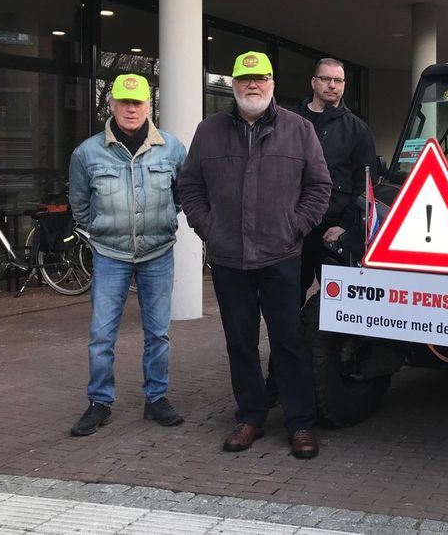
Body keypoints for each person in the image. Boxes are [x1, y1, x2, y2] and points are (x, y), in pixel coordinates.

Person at [177, 52, 331, 458]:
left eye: (260, 78)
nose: (253, 85)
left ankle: (300, 424)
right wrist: (209, 228)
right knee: (240, 342)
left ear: (272, 84)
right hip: (229, 257)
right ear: (233, 85)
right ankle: (250, 417)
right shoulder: (209, 131)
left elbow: (319, 187)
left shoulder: (298, 129)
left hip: (281, 255)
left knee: (289, 340)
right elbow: (190, 186)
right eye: (245, 79)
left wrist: (294, 227)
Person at [67, 73, 187, 436]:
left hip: (157, 252)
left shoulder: (172, 148)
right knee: (101, 334)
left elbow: (182, 195)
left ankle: (156, 399)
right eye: (124, 102)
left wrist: (162, 221)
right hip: (109, 254)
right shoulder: (87, 153)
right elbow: (80, 205)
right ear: (112, 105)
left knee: (158, 333)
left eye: (137, 102)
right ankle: (99, 403)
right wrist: (103, 228)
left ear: (149, 105)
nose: (131, 109)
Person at [290, 58, 377, 299]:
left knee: (337, 303)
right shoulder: (288, 121)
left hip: (333, 231)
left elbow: (366, 184)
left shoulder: (357, 130)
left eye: (338, 80)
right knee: (287, 300)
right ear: (313, 82)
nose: (332, 85)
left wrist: (345, 226)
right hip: (292, 228)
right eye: (326, 79)